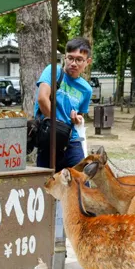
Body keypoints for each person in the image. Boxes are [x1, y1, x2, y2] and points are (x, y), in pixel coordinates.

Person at [34, 37, 93, 171]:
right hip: (49, 139)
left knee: (81, 183)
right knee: (47, 185)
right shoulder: (52, 71)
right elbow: (42, 99)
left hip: (72, 142)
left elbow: (79, 116)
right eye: (70, 58)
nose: (73, 63)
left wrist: (77, 119)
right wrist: (59, 128)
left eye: (79, 59)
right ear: (65, 57)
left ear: (87, 62)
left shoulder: (86, 89)